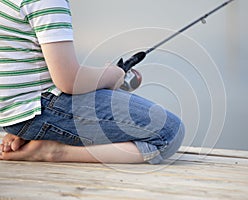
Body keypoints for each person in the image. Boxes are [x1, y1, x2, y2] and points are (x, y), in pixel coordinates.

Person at [0, 0, 184, 164]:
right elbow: (68, 80)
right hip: (41, 108)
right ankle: (56, 151)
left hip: (13, 114)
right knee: (169, 132)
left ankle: (30, 131)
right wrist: (112, 76)